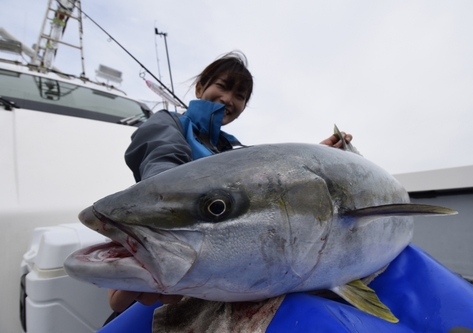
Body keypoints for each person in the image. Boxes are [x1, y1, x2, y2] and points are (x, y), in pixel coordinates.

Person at [107, 51, 353, 317]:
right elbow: (161, 163)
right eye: (222, 87)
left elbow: (267, 180)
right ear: (201, 87)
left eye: (240, 96)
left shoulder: (232, 149)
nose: (228, 99)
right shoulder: (169, 124)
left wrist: (317, 156)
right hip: (172, 265)